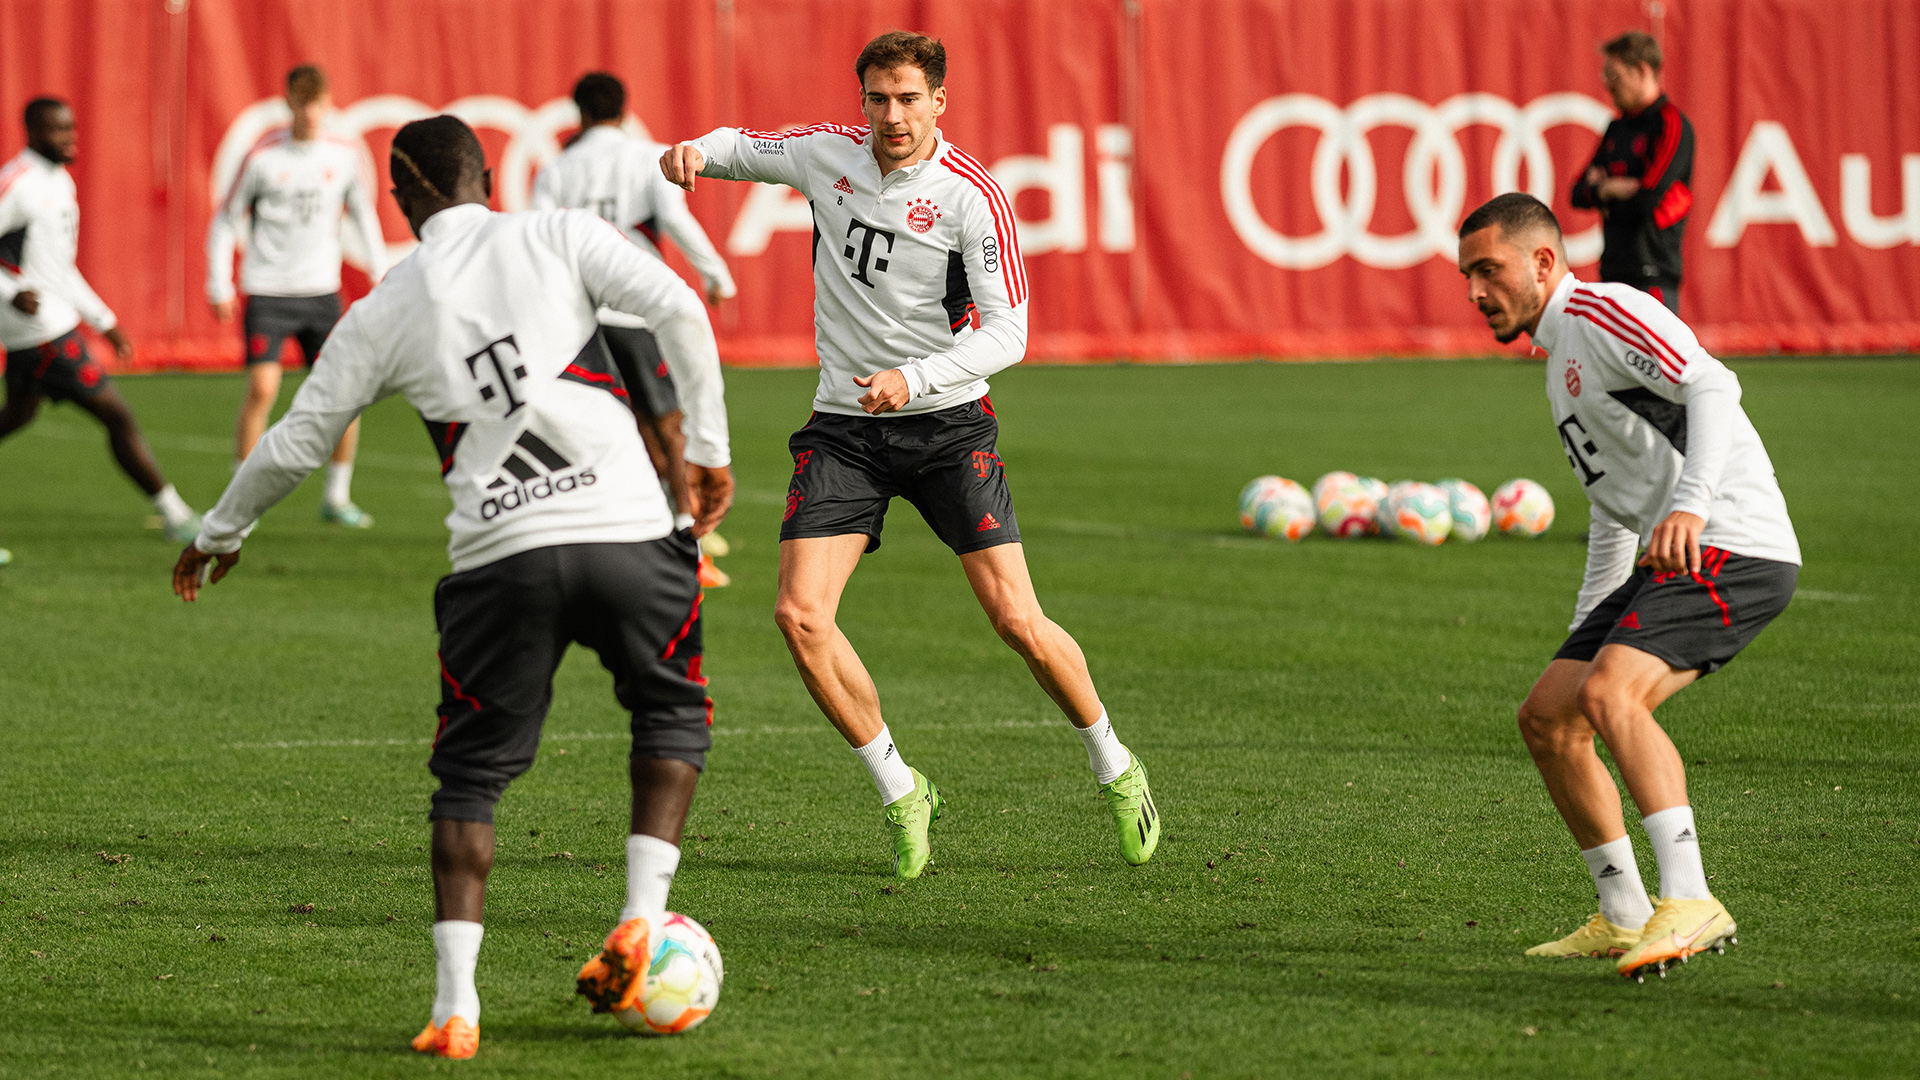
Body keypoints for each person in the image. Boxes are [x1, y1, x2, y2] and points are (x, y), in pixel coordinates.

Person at [172, 115, 733, 1058]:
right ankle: (642, 915)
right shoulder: (558, 229)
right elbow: (678, 306)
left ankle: (455, 1008)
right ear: (482, 171)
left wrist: (218, 531)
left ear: (403, 193)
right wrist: (709, 452)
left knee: (470, 777)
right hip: (631, 533)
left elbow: (298, 442)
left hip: (500, 557)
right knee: (671, 715)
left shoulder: (385, 303)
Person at [660, 30, 1161, 878]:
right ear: (862, 103)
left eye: (907, 100)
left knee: (1017, 623)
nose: (892, 116)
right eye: (877, 100)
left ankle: (1115, 763)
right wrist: (691, 155)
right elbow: (741, 147)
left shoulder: (973, 196)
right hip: (844, 428)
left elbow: (1012, 332)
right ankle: (900, 787)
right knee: (798, 617)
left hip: (947, 427)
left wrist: (916, 375)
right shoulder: (828, 155)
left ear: (939, 103)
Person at [1456, 192, 1800, 981]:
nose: (1476, 292)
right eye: (1468, 275)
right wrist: (1585, 634)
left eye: (1489, 270)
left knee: (1613, 696)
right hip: (1672, 553)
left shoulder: (1604, 313)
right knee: (1550, 715)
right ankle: (1624, 916)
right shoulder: (1560, 369)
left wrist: (1691, 503)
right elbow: (1611, 513)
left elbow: (1712, 385)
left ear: (1544, 264)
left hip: (1734, 543)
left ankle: (1692, 898)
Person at [533, 70, 738, 586]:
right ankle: (686, 534)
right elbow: (674, 220)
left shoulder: (557, 168)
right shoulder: (648, 154)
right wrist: (715, 273)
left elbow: (538, 242)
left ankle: (603, 534)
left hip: (580, 318)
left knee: (602, 428)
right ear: (624, 111)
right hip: (637, 310)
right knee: (667, 424)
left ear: (579, 114)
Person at [1, 97, 199, 542]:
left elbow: (58, 267)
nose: (70, 139)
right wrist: (11, 293)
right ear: (32, 132)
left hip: (44, 325)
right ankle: (175, 515)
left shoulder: (60, 181)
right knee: (117, 416)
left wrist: (104, 319)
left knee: (15, 417)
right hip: (41, 330)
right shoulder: (17, 184)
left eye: (72, 129)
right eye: (58, 131)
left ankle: (173, 514)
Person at [206, 65, 388, 526]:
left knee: (345, 394)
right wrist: (219, 283)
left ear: (328, 104)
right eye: (301, 102)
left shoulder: (343, 156)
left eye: (317, 102)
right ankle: (239, 501)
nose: (309, 112)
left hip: (321, 293)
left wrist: (380, 268)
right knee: (263, 389)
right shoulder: (263, 157)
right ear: (288, 103)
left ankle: (338, 496)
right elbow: (227, 219)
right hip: (268, 290)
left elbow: (364, 214)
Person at [1570, 30, 1695, 316]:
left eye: (1613, 75)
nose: (1607, 86)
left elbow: (1648, 200)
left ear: (1641, 70)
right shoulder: (1617, 129)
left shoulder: (1671, 125)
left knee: (1655, 361)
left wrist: (1605, 196)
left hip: (1653, 273)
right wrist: (1612, 189)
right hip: (1613, 270)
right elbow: (1577, 194)